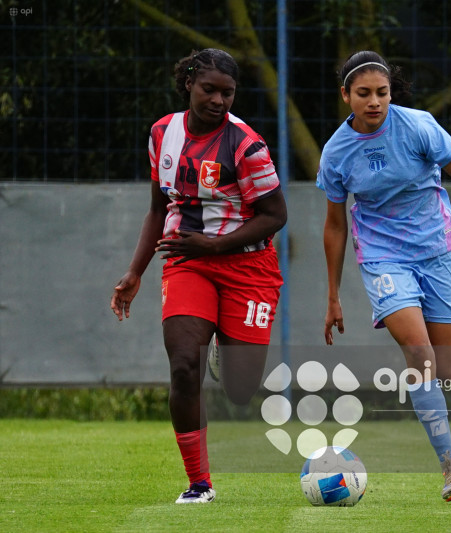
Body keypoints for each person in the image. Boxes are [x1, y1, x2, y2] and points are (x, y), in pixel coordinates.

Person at [317, 50, 451, 501]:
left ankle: (428, 406)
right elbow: (335, 225)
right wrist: (333, 295)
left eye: (382, 92)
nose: (374, 101)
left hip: (437, 251)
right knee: (420, 355)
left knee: (444, 368)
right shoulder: (336, 153)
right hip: (383, 258)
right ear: (345, 95)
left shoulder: (419, 126)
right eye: (363, 93)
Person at [110, 48, 286, 503]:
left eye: (228, 93)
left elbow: (275, 215)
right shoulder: (162, 133)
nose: (219, 101)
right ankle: (199, 483)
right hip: (187, 259)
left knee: (241, 390)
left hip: (248, 266)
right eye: (209, 89)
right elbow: (158, 208)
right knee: (184, 366)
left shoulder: (246, 145)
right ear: (188, 83)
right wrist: (134, 272)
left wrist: (215, 245)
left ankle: (224, 349)